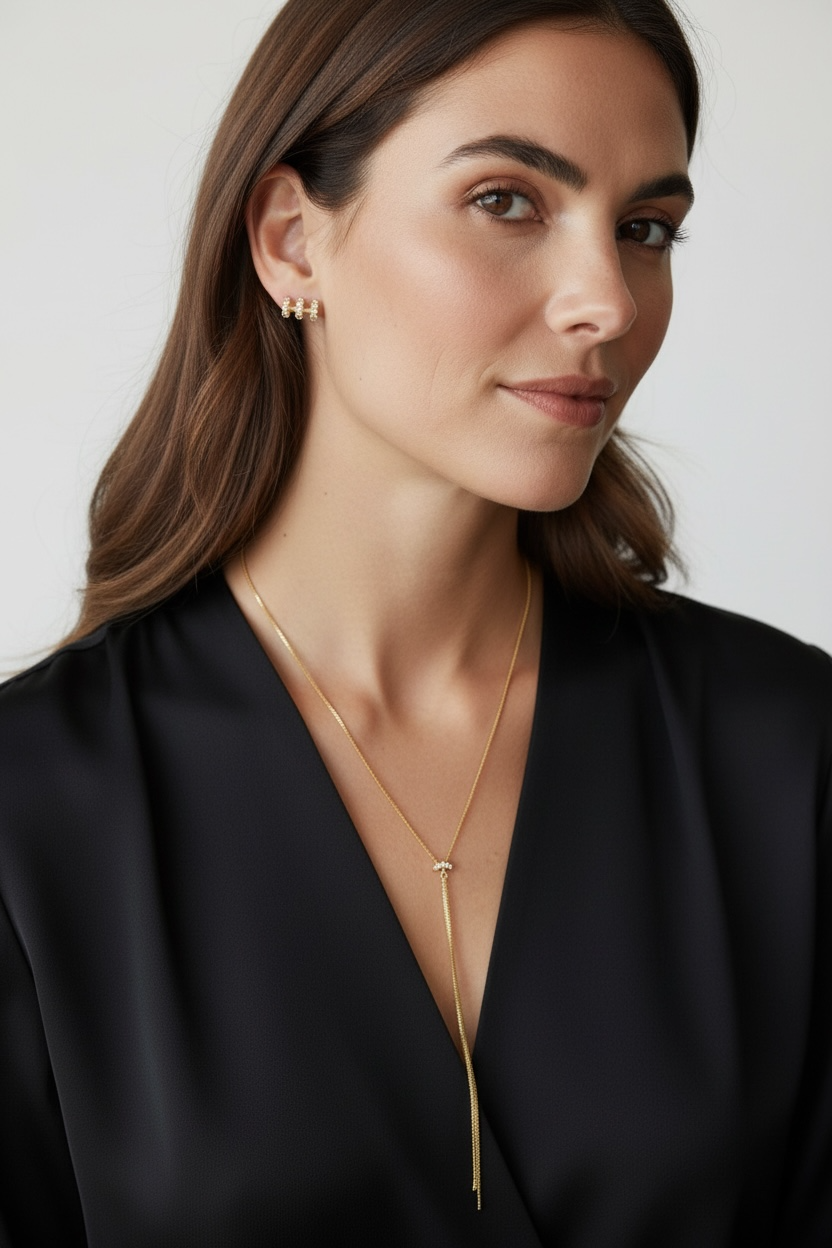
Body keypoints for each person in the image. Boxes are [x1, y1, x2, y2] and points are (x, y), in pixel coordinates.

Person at [0, 0, 830, 1243]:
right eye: (506, 201)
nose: (607, 300)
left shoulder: (784, 754)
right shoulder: (31, 809)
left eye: (645, 228)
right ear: (291, 242)